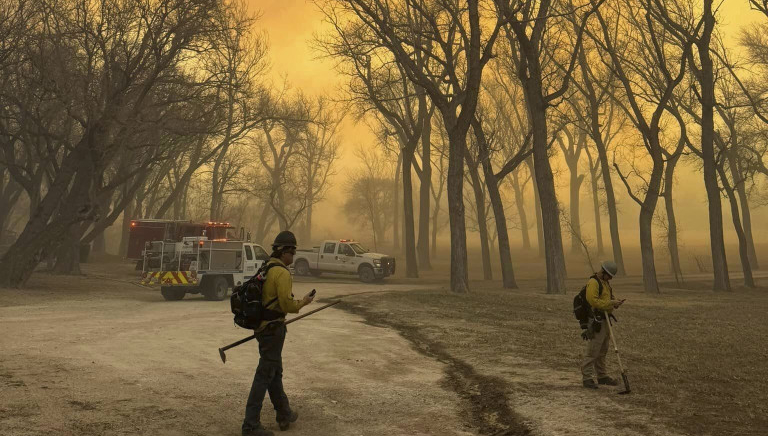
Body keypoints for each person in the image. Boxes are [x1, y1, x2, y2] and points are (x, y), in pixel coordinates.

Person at [242, 230, 315, 436]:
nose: (293, 257)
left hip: (263, 328)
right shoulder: (282, 273)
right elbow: (286, 304)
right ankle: (250, 425)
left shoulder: (267, 267)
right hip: (273, 330)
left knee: (274, 373)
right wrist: (303, 302)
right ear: (284, 252)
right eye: (292, 253)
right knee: (264, 375)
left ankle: (284, 414)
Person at [580, 260, 625, 389]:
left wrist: (615, 302)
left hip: (606, 320)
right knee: (593, 350)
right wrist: (610, 303)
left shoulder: (605, 283)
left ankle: (602, 376)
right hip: (596, 320)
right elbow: (593, 301)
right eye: (609, 275)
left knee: (603, 349)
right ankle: (587, 378)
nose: (610, 278)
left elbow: (607, 298)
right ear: (604, 272)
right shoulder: (593, 282)